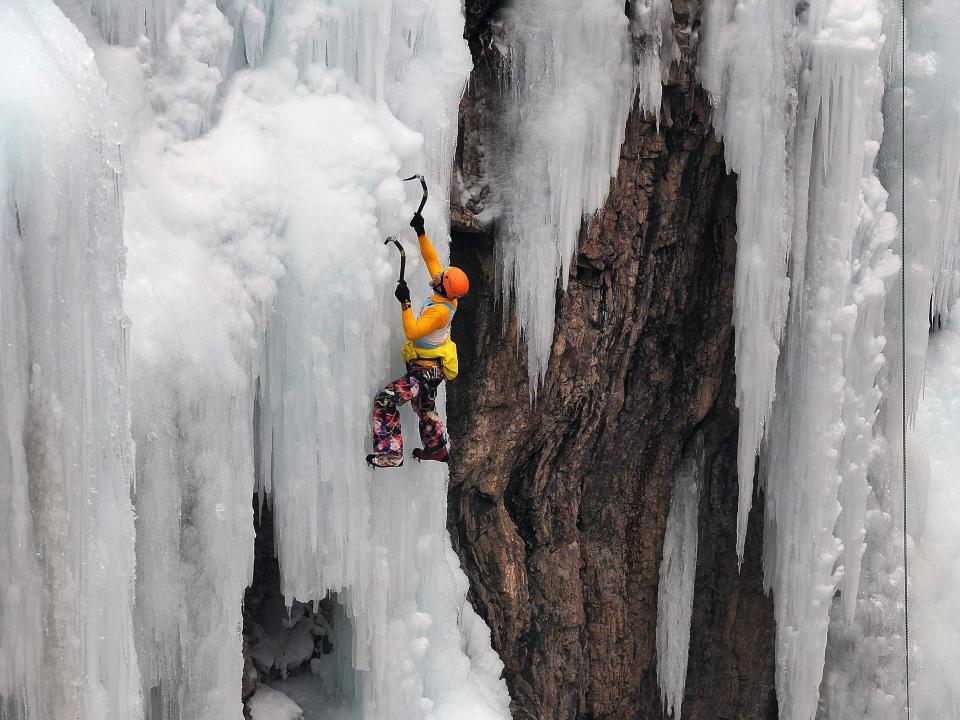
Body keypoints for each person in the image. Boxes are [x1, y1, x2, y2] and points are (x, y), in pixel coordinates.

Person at [366, 212, 470, 468]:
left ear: (443, 286)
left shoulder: (440, 311)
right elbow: (432, 259)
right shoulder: (447, 293)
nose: (437, 274)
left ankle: (392, 453)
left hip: (424, 372)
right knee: (424, 407)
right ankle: (437, 448)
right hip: (432, 369)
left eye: (441, 276)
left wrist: (405, 303)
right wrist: (421, 232)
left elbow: (412, 332)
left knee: (386, 400)